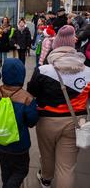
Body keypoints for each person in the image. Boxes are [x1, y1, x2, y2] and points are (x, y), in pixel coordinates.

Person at [27, 25, 90, 188]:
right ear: (73, 46)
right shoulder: (88, 72)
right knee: (67, 167)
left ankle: (46, 179)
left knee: (47, 155)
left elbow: (31, 92)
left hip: (47, 120)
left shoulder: (43, 70)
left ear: (56, 46)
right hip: (76, 122)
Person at [0, 58, 38, 188]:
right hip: (19, 144)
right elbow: (32, 121)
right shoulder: (27, 98)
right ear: (22, 75)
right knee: (21, 170)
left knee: (5, 169)